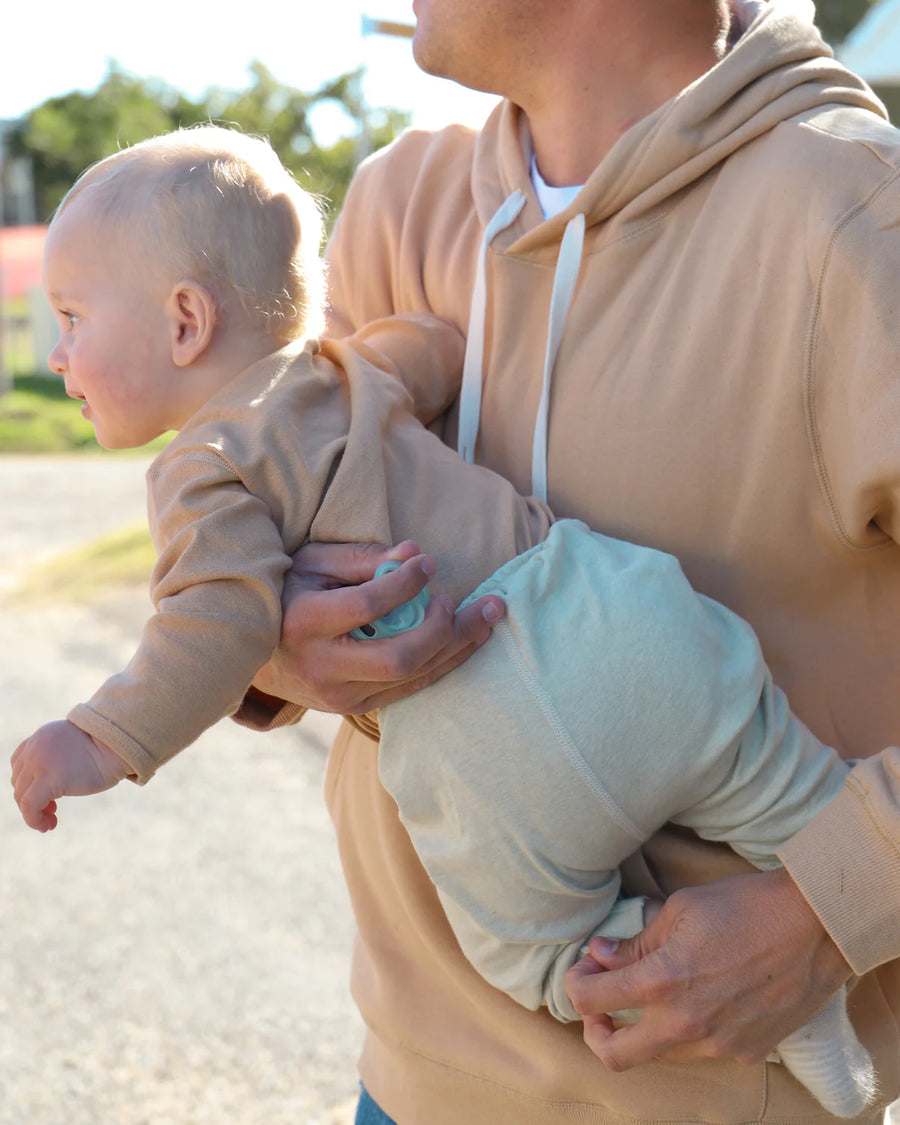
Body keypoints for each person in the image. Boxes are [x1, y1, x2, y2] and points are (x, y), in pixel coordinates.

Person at [7, 124, 875, 1117]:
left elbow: (209, 627)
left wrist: (98, 738)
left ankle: (766, 1013)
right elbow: (436, 351)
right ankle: (822, 942)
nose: (60, 355)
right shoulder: (344, 374)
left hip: (487, 736)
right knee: (796, 793)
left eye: (72, 319)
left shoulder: (202, 472)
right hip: (611, 607)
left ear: (186, 322)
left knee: (540, 953)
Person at [243, 0, 900, 1122]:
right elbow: (266, 545)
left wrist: (824, 913)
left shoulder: (858, 220)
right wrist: (275, 642)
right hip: (404, 1086)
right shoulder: (398, 203)